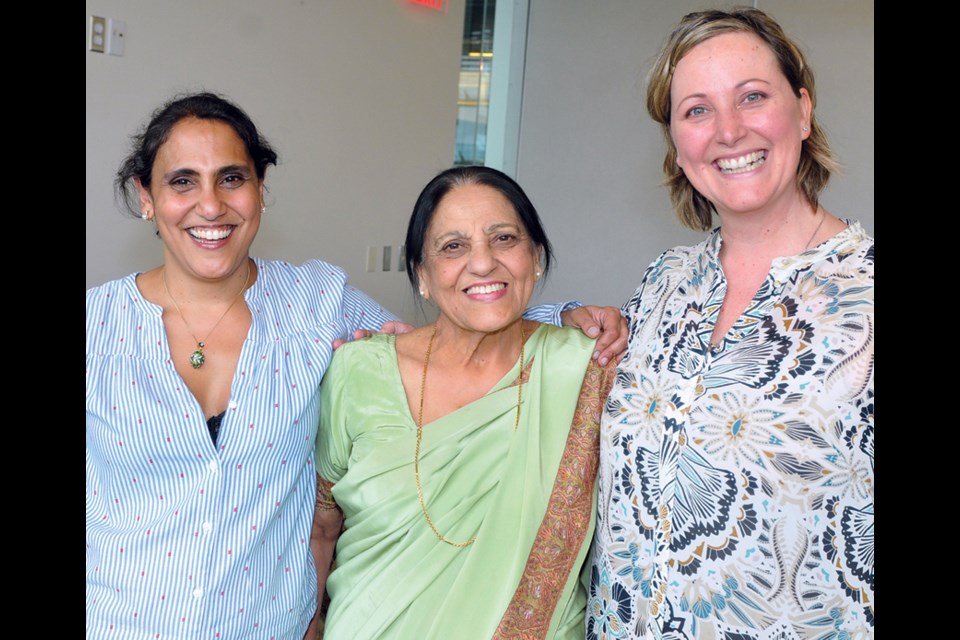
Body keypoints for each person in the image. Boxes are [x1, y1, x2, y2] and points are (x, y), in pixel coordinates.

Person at [85, 92, 627, 639]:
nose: (210, 204)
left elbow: (453, 331)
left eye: (231, 178)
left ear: (260, 191)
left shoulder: (319, 302)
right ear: (146, 197)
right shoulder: (95, 328)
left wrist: (563, 316)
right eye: (181, 181)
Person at [586, 8, 873, 639]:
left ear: (802, 109)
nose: (729, 130)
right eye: (697, 110)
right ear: (676, 143)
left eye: (752, 97)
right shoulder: (662, 283)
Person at [312, 165, 618, 639]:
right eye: (453, 246)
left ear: (535, 258)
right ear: (422, 276)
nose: (482, 263)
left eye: (504, 239)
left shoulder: (588, 368)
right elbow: (321, 529)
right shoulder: (358, 372)